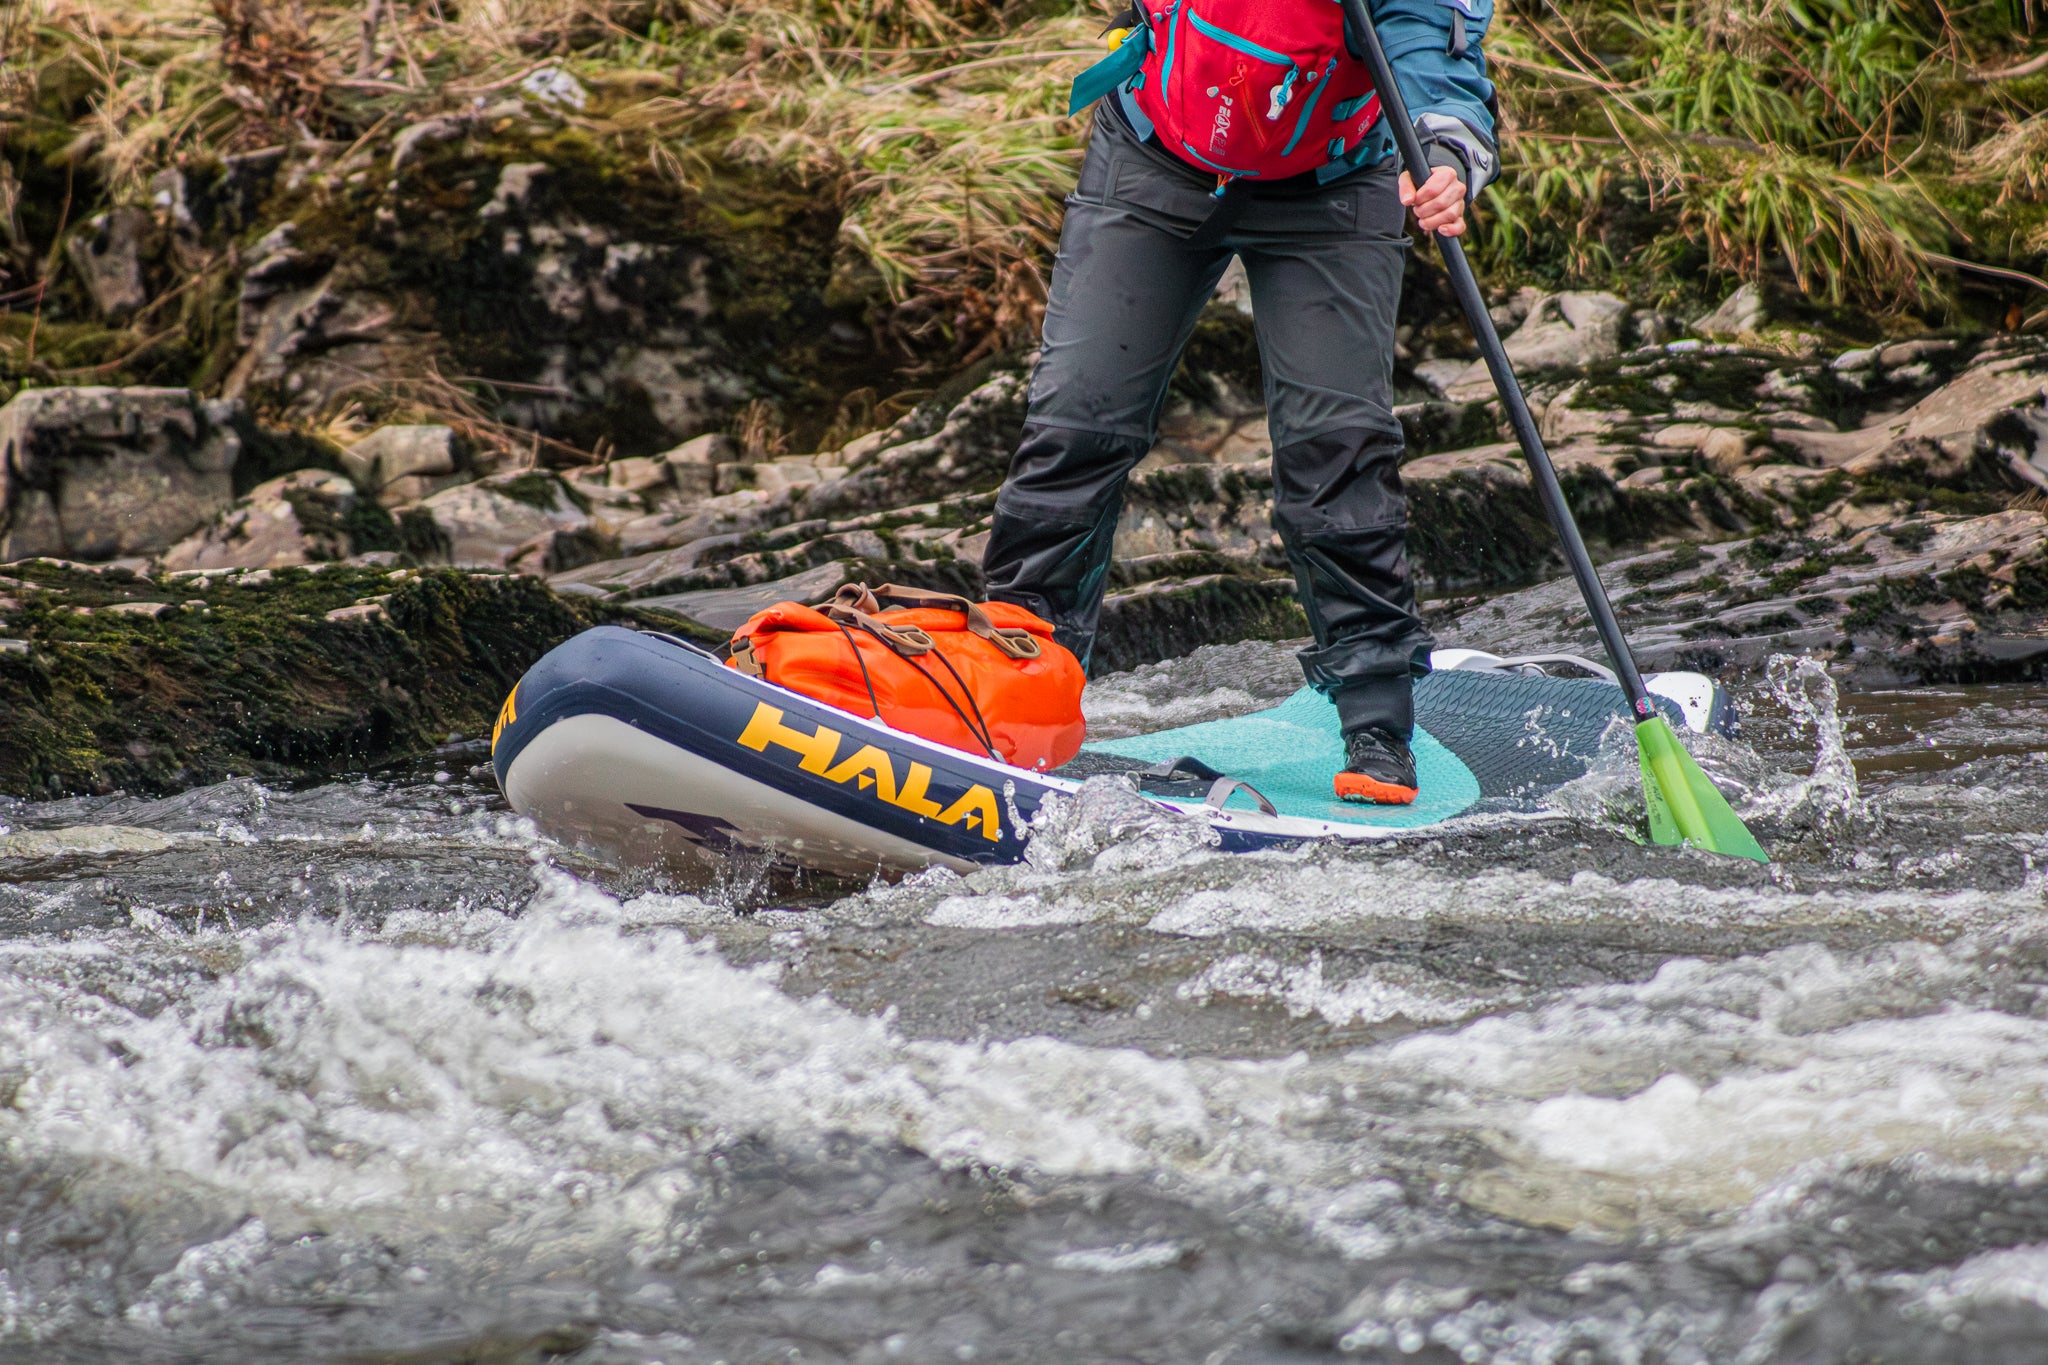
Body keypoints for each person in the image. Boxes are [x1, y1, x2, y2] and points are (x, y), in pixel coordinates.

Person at [981, 0, 1497, 805]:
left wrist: (1444, 154)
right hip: (1155, 152)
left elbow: (1433, 53)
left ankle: (1377, 727)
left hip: (1335, 183)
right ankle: (1011, 681)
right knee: (1076, 424)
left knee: (1336, 451)